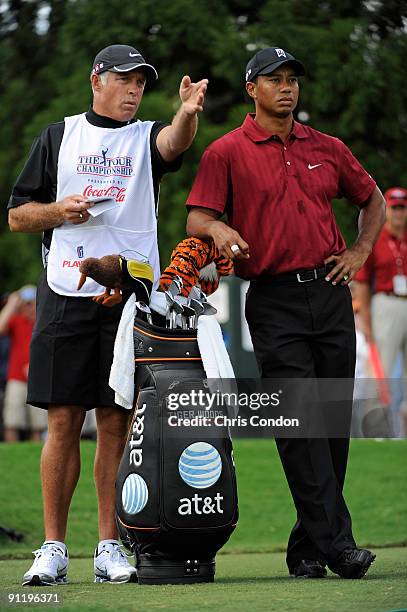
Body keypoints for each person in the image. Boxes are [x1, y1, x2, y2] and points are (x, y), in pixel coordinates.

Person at [8, 44, 207, 586]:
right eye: (125, 80)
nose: (135, 90)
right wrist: (58, 210)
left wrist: (186, 114)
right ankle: (52, 548)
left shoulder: (145, 136)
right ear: (97, 80)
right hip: (65, 292)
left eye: (141, 83)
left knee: (116, 423)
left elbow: (172, 144)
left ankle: (107, 545)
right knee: (63, 420)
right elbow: (18, 216)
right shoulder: (58, 135)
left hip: (130, 297)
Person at [186, 47, 385, 579]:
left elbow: (373, 199)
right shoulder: (226, 152)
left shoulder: (328, 147)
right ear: (252, 88)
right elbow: (198, 219)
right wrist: (220, 229)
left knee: (332, 424)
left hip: (330, 291)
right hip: (273, 300)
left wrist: (361, 251)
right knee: (302, 423)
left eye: (292, 78)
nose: (287, 87)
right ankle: (340, 547)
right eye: (274, 79)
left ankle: (307, 547)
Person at [354, 187, 407, 436]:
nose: (398, 212)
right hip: (385, 302)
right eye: (394, 207)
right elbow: (362, 282)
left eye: (402, 207)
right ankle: (375, 431)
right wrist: (365, 321)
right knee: (380, 371)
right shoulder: (377, 239)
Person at [0, 286, 47, 442]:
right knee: (12, 422)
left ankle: (35, 457)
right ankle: (12, 455)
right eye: (25, 303)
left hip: (38, 379)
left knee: (38, 426)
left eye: (31, 303)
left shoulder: (44, 320)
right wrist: (12, 304)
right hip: (16, 380)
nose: (28, 307)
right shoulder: (16, 320)